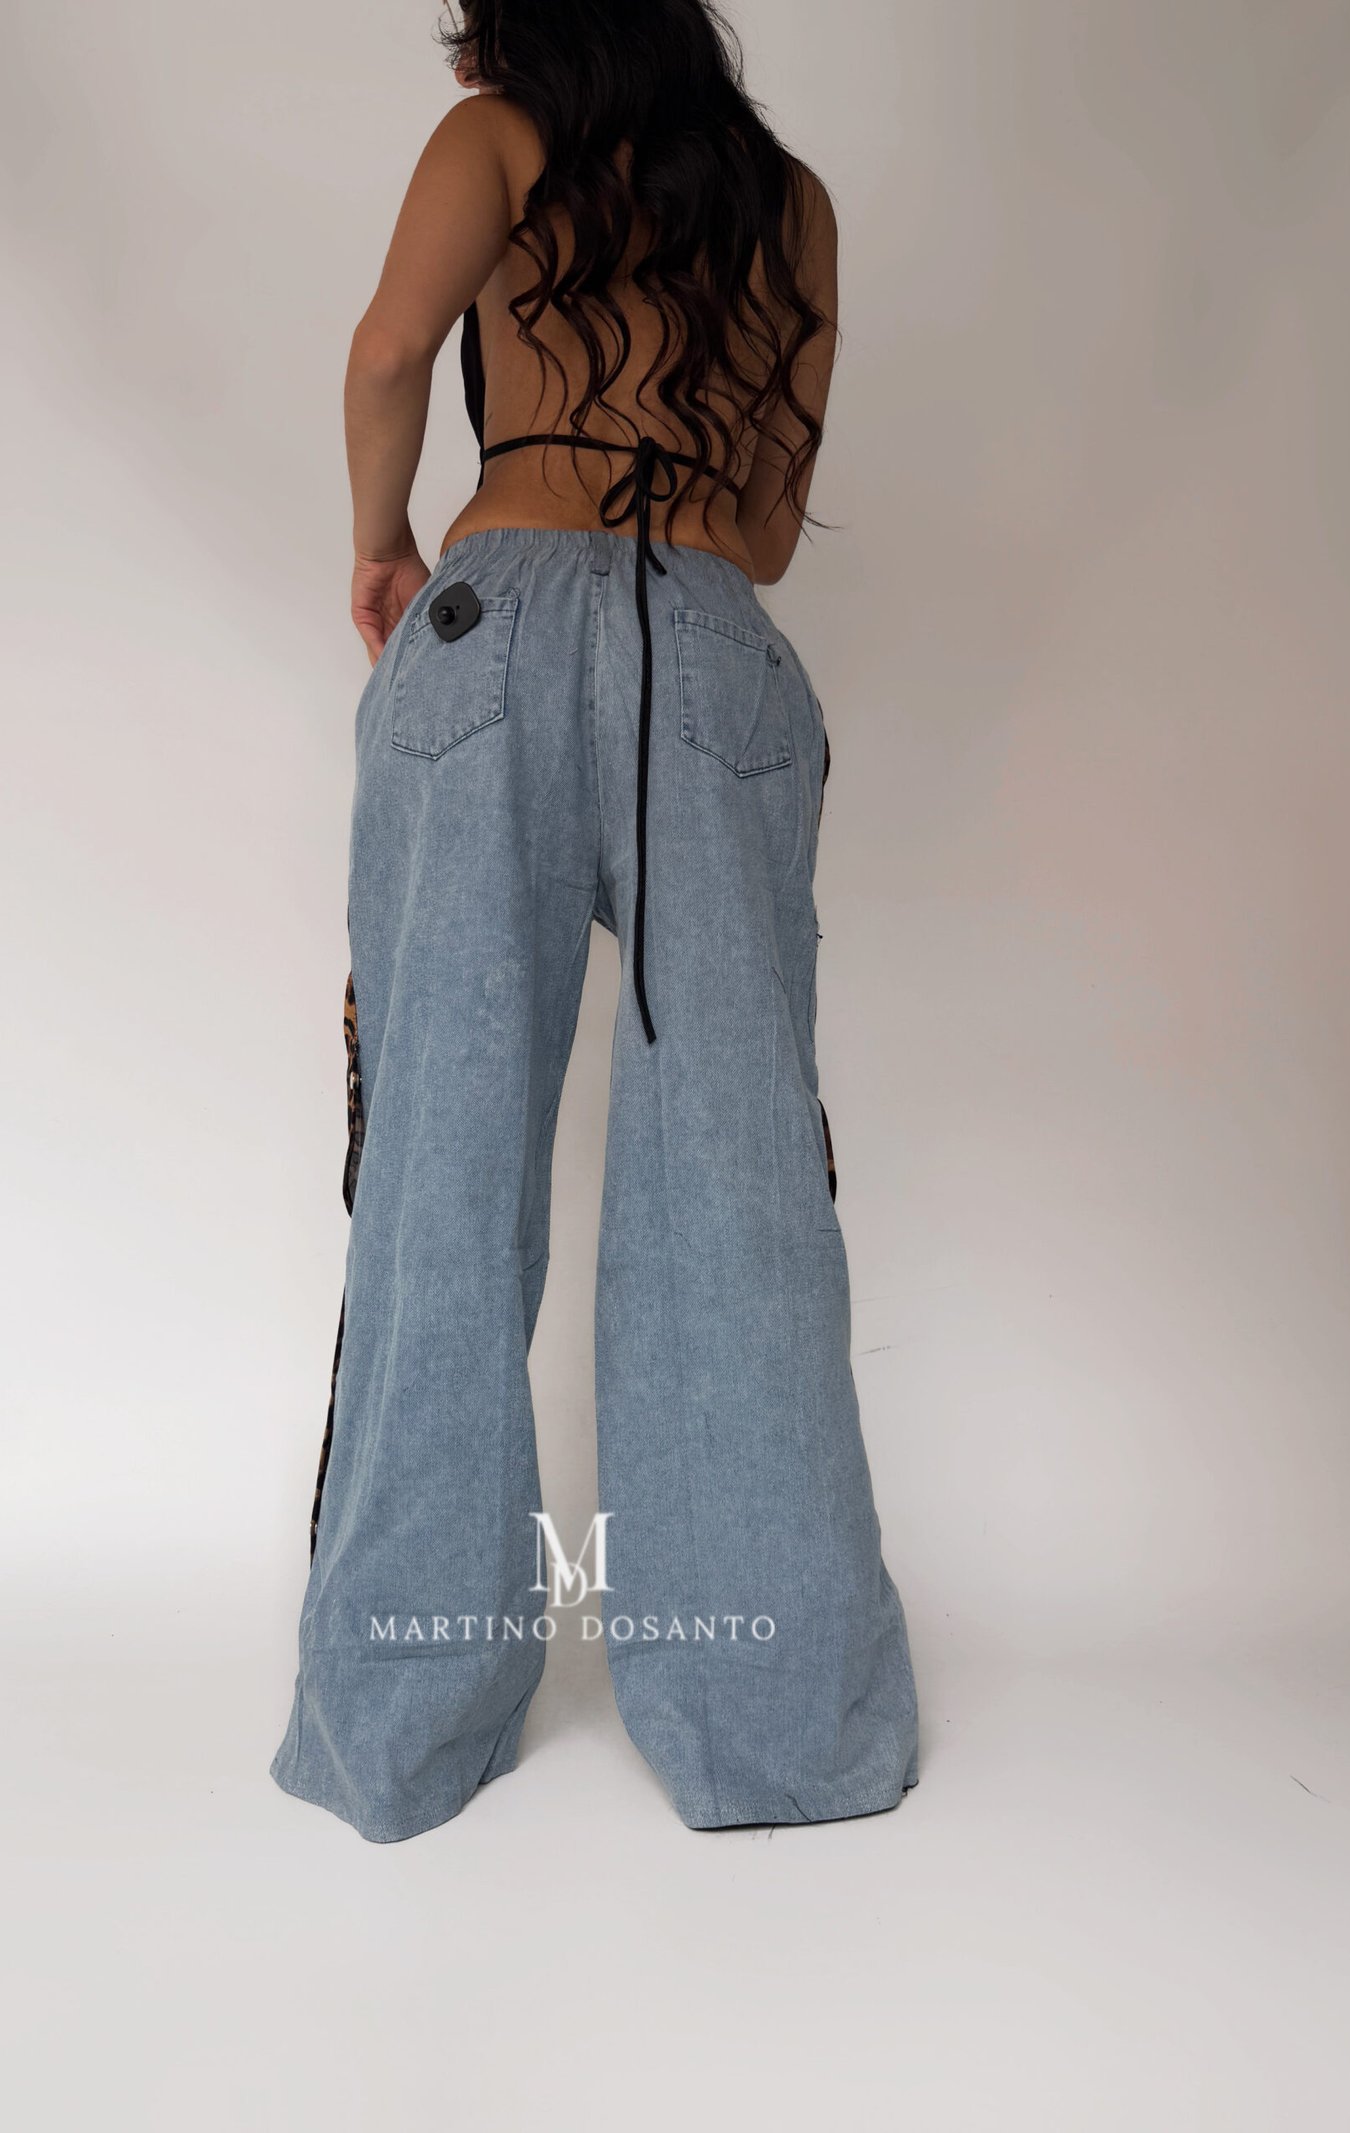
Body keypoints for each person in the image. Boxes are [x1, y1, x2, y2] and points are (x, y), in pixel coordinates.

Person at [269, 0, 920, 1841]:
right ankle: (780, 1723)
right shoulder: (792, 206)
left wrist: (382, 542)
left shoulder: (498, 139)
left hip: (488, 639)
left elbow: (389, 350)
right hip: (713, 658)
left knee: (440, 1173)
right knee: (740, 1190)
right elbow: (769, 531)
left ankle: (401, 1719)